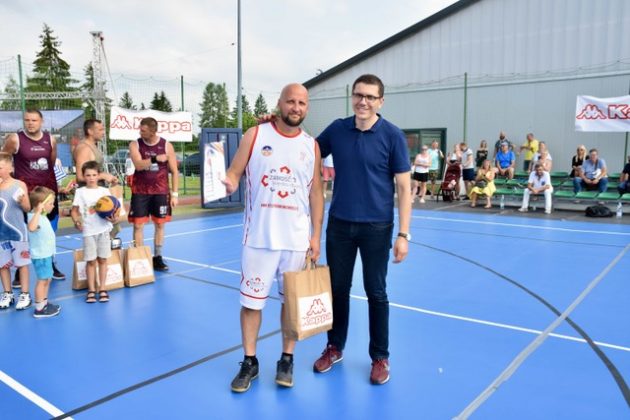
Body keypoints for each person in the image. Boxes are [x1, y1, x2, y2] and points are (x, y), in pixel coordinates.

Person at [223, 84, 323, 392]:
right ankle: (250, 362)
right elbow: (234, 172)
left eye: (302, 103)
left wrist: (316, 236)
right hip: (259, 238)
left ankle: (286, 359)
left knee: (290, 305)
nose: (296, 107)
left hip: (296, 241)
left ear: (307, 108)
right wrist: (225, 182)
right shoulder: (256, 135)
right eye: (290, 101)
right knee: (252, 304)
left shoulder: (311, 145)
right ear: (279, 104)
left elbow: (316, 193)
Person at [312, 74, 411, 385]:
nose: (363, 101)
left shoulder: (393, 136)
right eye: (358, 95)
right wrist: (277, 126)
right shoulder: (337, 130)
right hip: (339, 224)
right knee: (337, 291)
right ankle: (334, 347)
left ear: (380, 101)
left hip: (377, 228)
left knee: (376, 292)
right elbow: (305, 150)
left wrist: (403, 234)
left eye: (370, 96)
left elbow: (405, 189)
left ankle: (380, 356)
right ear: (352, 97)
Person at [2, 109, 65, 282]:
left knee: (48, 229)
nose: (30, 123)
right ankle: (18, 270)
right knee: (24, 232)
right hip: (24, 194)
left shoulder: (50, 139)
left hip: (46, 193)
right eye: (27, 120)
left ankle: (50, 263)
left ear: (41, 121)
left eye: (34, 120)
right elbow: (4, 158)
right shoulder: (15, 139)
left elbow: (51, 163)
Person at [127, 117, 179, 271]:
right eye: (140, 129)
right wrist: (155, 159)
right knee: (138, 225)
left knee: (160, 224)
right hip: (140, 191)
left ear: (153, 130)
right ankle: (139, 257)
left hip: (160, 192)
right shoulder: (135, 144)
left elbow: (175, 171)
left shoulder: (166, 146)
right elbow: (138, 165)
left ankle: (157, 257)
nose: (140, 132)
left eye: (143, 130)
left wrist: (175, 194)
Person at [71, 161, 118, 303]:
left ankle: (102, 288)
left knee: (103, 260)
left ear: (99, 176)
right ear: (83, 177)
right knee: (91, 261)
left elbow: (114, 209)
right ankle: (91, 289)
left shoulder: (104, 191)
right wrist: (76, 221)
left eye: (94, 175)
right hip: (88, 231)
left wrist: (114, 219)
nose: (91, 178)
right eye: (88, 175)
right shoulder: (80, 192)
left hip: (103, 229)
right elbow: (74, 211)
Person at [73, 119, 122, 239]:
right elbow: (80, 176)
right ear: (90, 131)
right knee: (104, 233)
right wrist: (104, 176)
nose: (103, 132)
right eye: (100, 129)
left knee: (113, 228)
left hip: (99, 193)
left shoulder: (92, 146)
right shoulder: (84, 148)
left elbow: (93, 171)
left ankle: (107, 255)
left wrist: (106, 177)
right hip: (91, 198)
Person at [0, 152, 32, 310]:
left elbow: (27, 208)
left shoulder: (19, 185)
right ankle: (8, 293)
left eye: (0, 167)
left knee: (22, 263)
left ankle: (25, 294)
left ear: (10, 168)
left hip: (18, 233)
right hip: (1, 234)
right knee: (2, 265)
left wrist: (24, 201)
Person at [27, 186, 61, 317]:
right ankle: (39, 309)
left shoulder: (42, 216)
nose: (53, 206)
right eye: (51, 203)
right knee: (42, 281)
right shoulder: (34, 217)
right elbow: (31, 227)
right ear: (40, 205)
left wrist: (40, 212)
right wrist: (38, 212)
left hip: (47, 254)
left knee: (47, 280)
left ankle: (44, 303)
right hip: (41, 256)